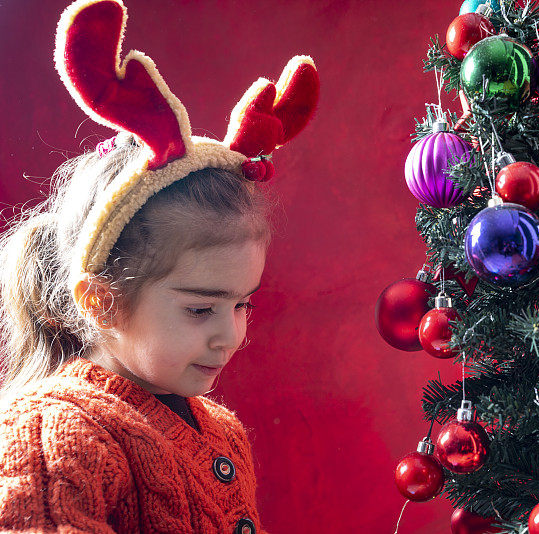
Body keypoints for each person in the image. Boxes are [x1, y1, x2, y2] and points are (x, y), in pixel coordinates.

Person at [0, 0, 319, 532]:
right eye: (201, 308)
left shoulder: (222, 433)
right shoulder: (53, 432)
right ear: (102, 301)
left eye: (242, 304)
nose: (231, 335)